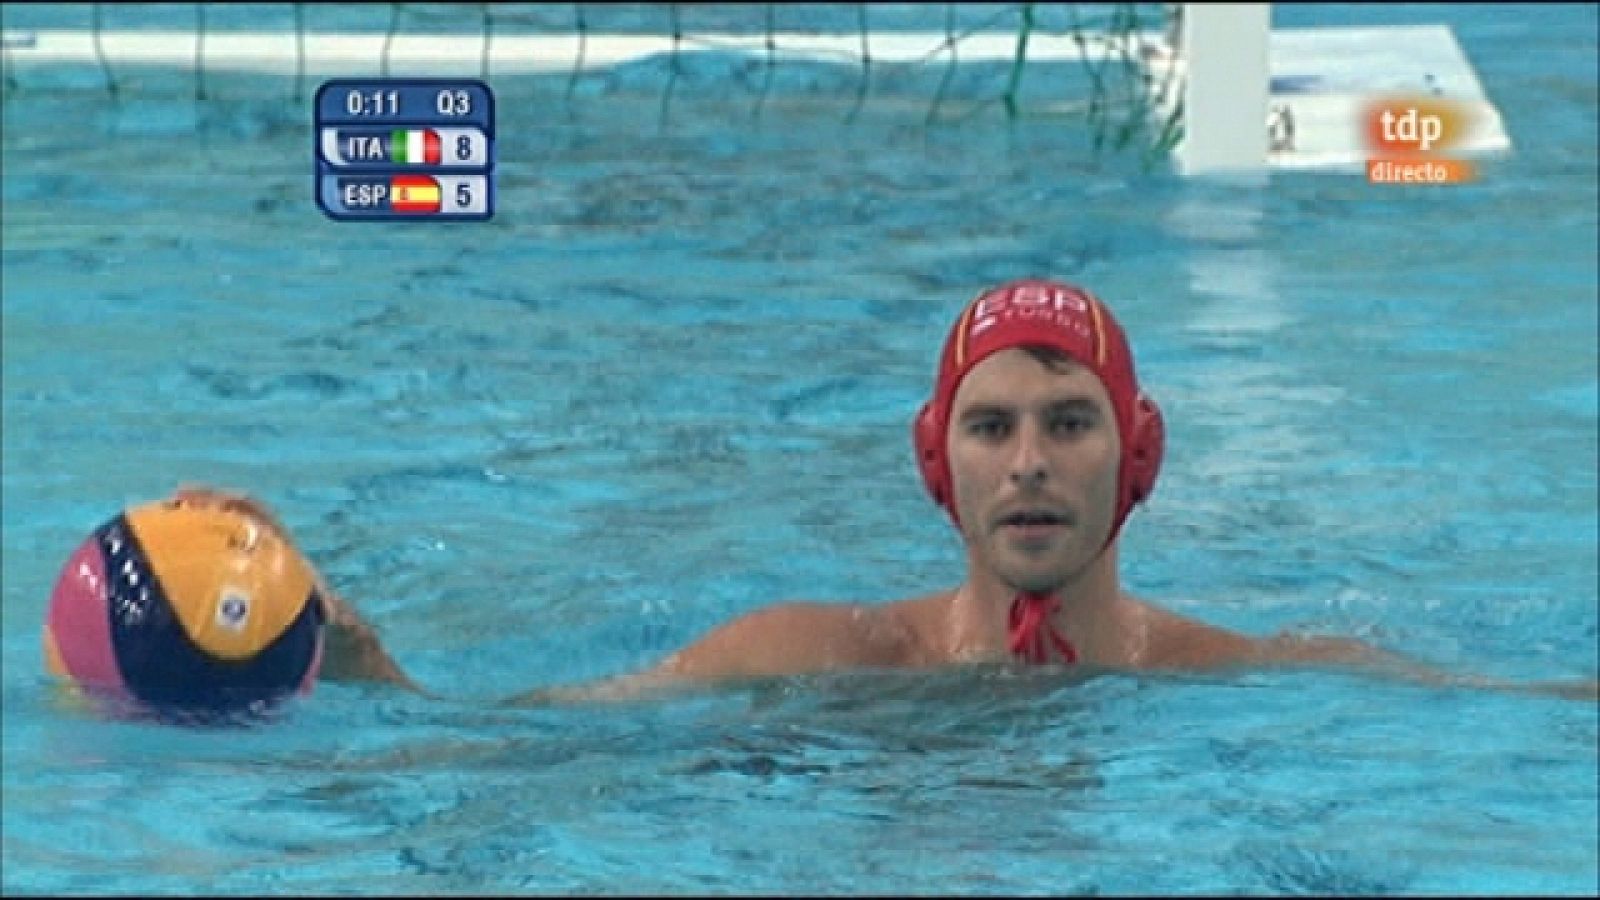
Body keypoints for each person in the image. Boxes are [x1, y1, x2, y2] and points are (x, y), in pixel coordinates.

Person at [171, 278, 1598, 704]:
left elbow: (1525, 717)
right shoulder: (814, 653)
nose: (1028, 460)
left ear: (1137, 456)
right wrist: (347, 655)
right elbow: (510, 739)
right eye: (989, 427)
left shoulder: (1248, 673)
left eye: (1066, 422)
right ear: (940, 463)